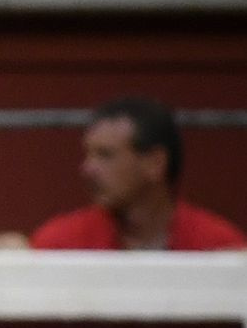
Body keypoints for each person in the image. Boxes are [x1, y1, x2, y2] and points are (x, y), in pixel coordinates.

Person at [26, 100, 246, 253]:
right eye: (88, 155)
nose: (87, 169)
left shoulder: (218, 247)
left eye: (106, 155)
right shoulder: (61, 244)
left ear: (155, 163)